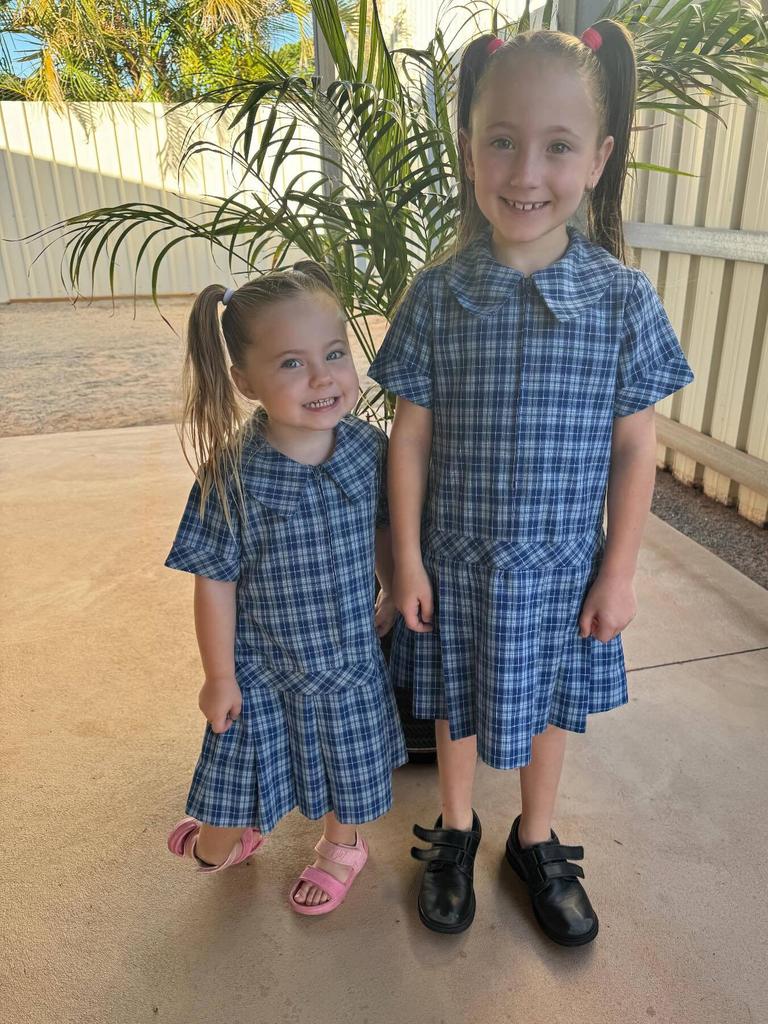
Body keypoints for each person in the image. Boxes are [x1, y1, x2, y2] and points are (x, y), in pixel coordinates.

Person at [368, 22, 694, 943]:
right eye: (501, 142)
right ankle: (459, 831)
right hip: (457, 559)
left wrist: (620, 569)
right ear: (469, 151)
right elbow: (410, 438)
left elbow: (637, 448)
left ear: (598, 158)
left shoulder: (623, 301)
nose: (525, 173)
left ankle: (535, 836)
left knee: (552, 703)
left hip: (560, 567)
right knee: (459, 702)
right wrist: (405, 562)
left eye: (556, 146)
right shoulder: (437, 294)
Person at [165, 263, 407, 915]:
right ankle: (243, 825)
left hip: (345, 655)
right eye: (292, 365)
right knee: (244, 759)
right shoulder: (231, 476)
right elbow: (213, 579)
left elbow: (383, 523)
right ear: (245, 383)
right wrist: (219, 675)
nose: (324, 377)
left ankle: (342, 844)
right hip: (263, 660)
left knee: (340, 767)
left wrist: (391, 590)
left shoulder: (367, 448)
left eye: (333, 354)